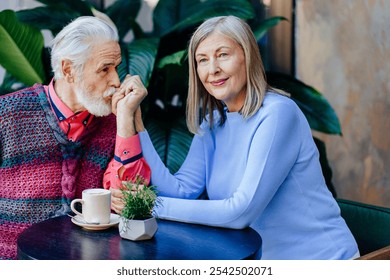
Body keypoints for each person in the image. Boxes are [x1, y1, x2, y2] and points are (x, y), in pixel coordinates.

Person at [111, 15, 359, 260]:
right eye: (203, 60)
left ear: (248, 57)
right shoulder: (212, 122)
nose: (213, 69)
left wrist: (148, 206)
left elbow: (240, 212)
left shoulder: (277, 114)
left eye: (223, 55)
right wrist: (136, 122)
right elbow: (181, 191)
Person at [0, 16, 150, 259]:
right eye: (104, 69)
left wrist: (124, 121)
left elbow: (130, 206)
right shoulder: (6, 114)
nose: (115, 81)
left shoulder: (114, 122)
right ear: (69, 70)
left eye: (116, 67)